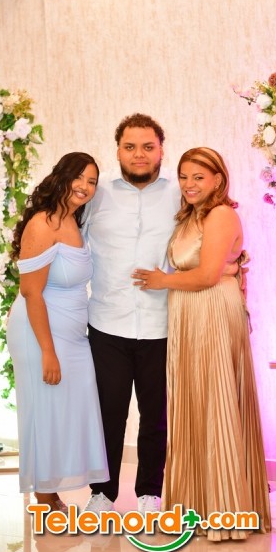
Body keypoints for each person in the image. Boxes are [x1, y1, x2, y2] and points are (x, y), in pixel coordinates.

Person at [132, 147, 271, 540]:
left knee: (216, 400)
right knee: (194, 402)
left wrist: (163, 280)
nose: (189, 185)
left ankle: (225, 508)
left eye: (198, 177)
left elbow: (209, 274)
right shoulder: (190, 215)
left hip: (212, 310)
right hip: (188, 314)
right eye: (184, 177)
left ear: (218, 180)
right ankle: (197, 504)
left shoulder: (221, 214)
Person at [83, 113, 181, 514]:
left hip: (162, 323)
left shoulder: (180, 192)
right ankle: (102, 493)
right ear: (118, 150)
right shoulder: (96, 193)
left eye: (147, 146)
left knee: (156, 416)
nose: (139, 154)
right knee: (107, 414)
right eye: (130, 147)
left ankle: (149, 493)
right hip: (108, 323)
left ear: (161, 150)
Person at [6, 152, 109, 511]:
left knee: (66, 410)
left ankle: (52, 491)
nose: (85, 186)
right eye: (78, 177)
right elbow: (31, 292)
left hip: (72, 335)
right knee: (45, 409)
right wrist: (48, 351)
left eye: (92, 181)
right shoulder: (43, 223)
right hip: (40, 333)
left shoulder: (74, 221)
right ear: (61, 177)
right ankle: (45, 496)